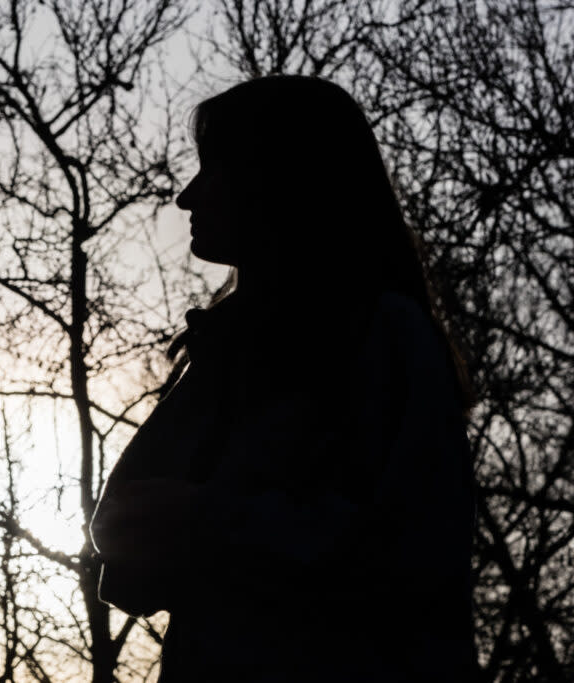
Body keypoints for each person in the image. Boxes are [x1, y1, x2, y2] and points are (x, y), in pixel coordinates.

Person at [89, 75, 479, 682]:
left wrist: (203, 520)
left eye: (212, 169)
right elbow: (120, 536)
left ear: (276, 178)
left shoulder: (384, 336)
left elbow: (408, 551)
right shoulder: (221, 351)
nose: (188, 198)